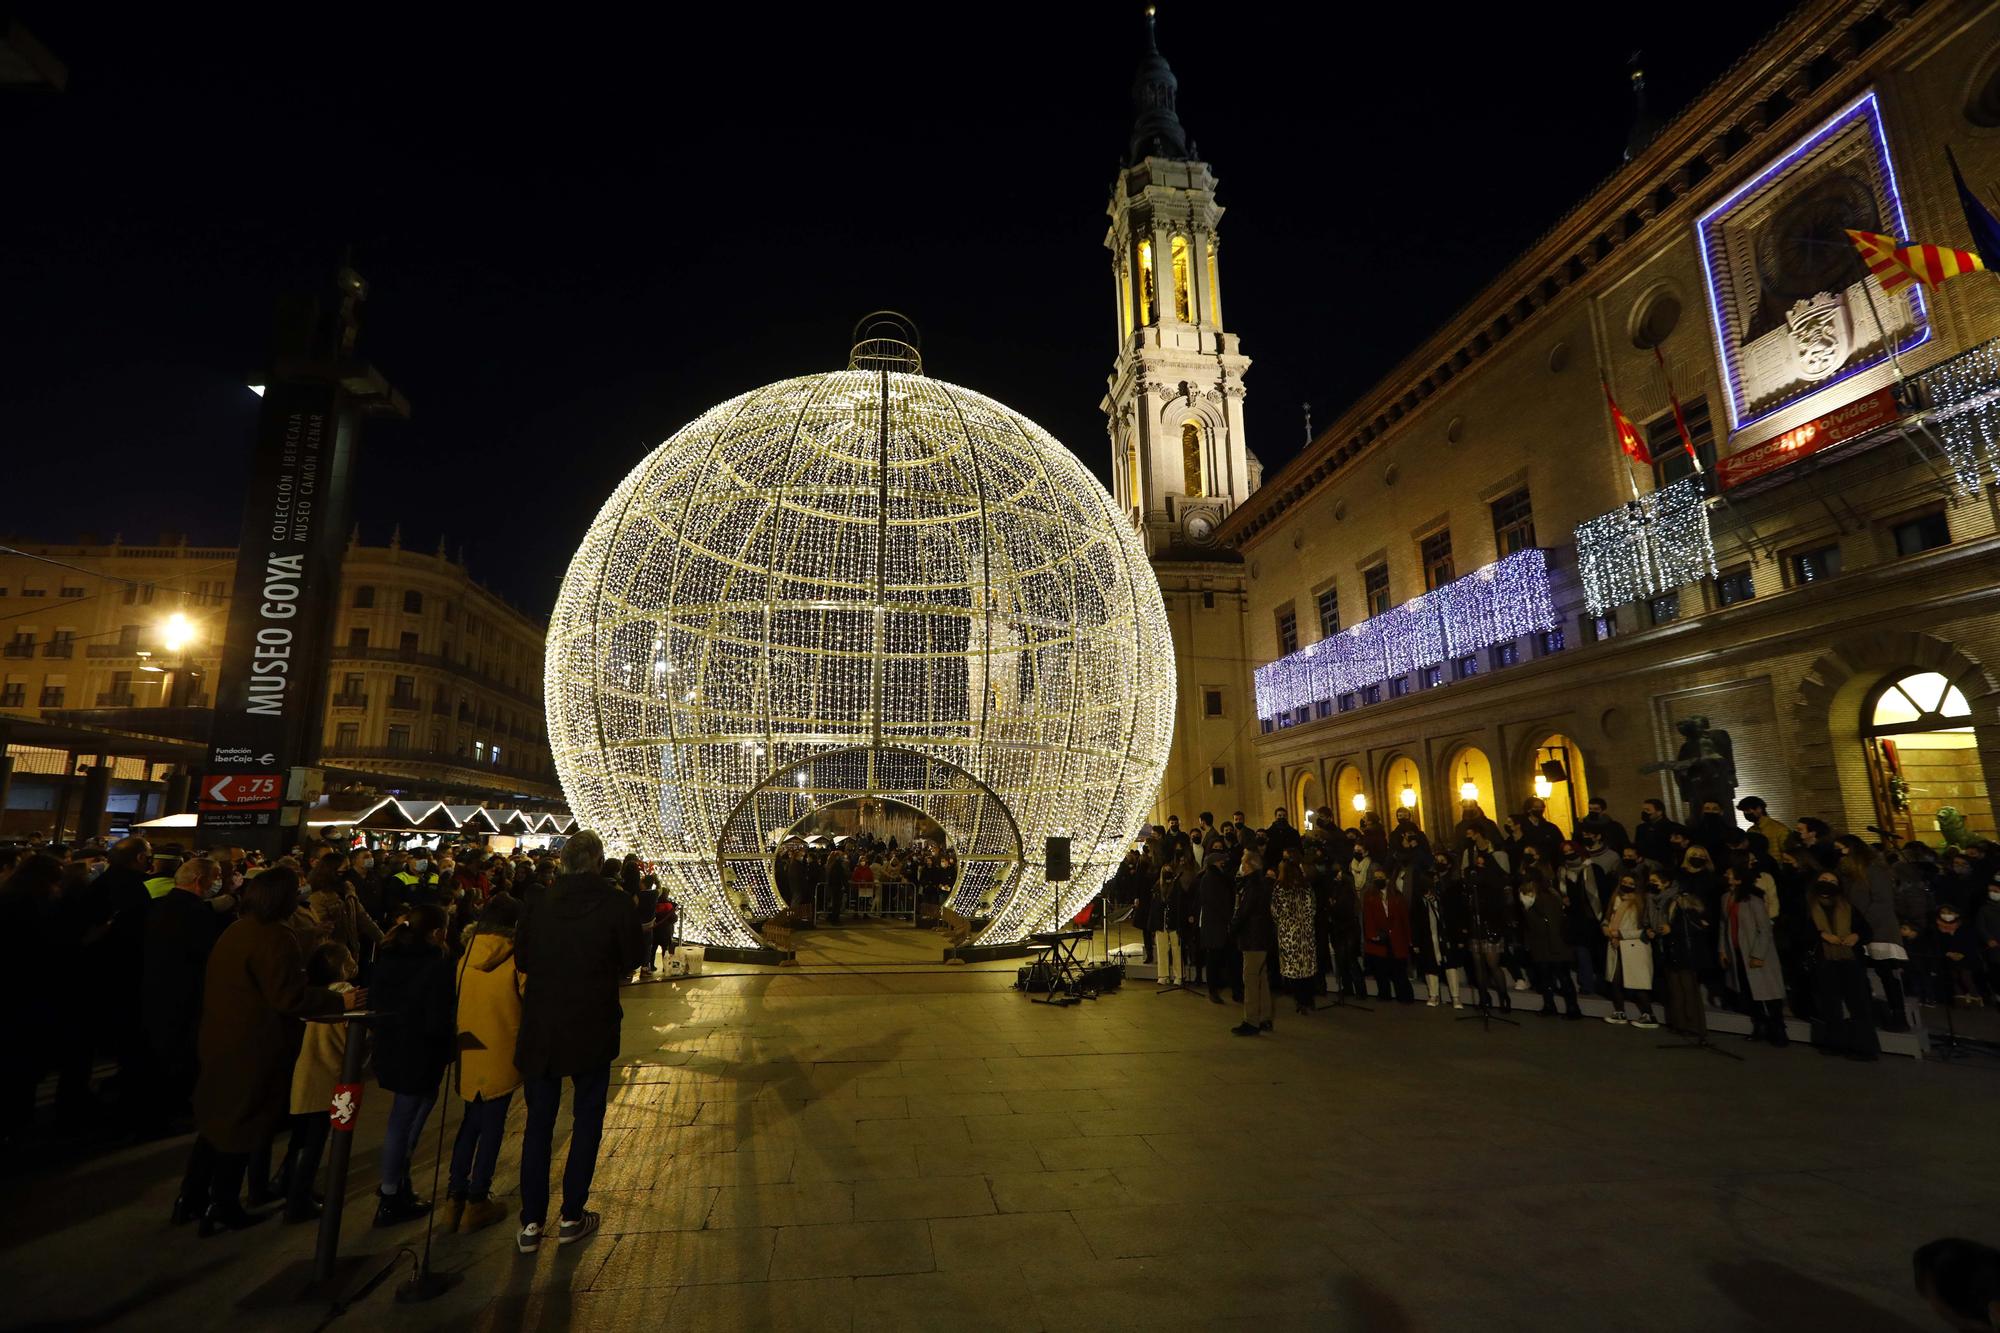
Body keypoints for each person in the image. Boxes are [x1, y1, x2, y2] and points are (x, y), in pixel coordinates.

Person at [179, 868, 358, 1235]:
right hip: (254, 1044)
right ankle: (223, 1203)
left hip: (221, 1037)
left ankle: (191, 1197)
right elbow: (288, 995)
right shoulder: (275, 938)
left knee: (215, 1121)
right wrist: (338, 1000)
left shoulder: (237, 929)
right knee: (241, 1124)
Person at [513, 831, 635, 1251]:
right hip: (591, 1025)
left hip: (542, 1028)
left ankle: (530, 1223)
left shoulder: (537, 902)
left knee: (538, 1126)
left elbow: (524, 958)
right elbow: (632, 956)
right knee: (587, 1121)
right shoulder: (616, 903)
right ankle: (571, 1216)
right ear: (598, 862)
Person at [369, 903, 456, 1225]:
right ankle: (392, 1192)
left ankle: (397, 1186)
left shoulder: (388, 955)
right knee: (407, 1123)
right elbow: (438, 1015)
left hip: (391, 1047)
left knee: (401, 1120)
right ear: (436, 932)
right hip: (421, 1050)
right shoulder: (435, 962)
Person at [447, 896, 525, 1234]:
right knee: (493, 1124)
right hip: (501, 1046)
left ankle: (455, 1196)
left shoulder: (465, 957)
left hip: (469, 1046)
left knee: (470, 1122)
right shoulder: (515, 958)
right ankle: (478, 1199)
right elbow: (528, 997)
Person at [141, 856, 232, 1131]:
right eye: (215, 876)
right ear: (198, 880)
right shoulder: (195, 913)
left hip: (155, 989)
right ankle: (167, 1112)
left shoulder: (161, 905)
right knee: (178, 1054)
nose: (218, 882)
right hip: (184, 992)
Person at [276, 942, 358, 1223]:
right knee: (313, 1143)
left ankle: (291, 1189)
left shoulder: (308, 997)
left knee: (300, 1140)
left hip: (301, 1076)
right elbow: (353, 1037)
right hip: (327, 1076)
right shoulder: (345, 996)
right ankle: (298, 1201)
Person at [1834, 833, 1908, 1032]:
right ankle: (1870, 1013)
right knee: (1860, 974)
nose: (1838, 853)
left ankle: (1897, 1014)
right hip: (1857, 930)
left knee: (1887, 974)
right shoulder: (1846, 873)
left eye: (1840, 848)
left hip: (1878, 930)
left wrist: (1863, 924)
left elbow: (1882, 901)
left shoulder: (1874, 870)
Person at [1807, 869, 1879, 1060]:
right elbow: (1799, 930)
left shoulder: (1848, 906)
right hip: (1824, 959)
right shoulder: (1807, 906)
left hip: (1850, 960)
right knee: (1830, 1005)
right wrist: (1821, 935)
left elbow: (1865, 929)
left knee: (1859, 1004)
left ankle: (1864, 1047)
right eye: (1824, 879)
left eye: (1832, 880)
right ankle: (1835, 1042)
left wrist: (1856, 936)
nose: (1828, 883)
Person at [1719, 864, 1789, 1046]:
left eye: (1730, 872)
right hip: (1737, 953)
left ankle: (1778, 1029)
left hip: (1755, 952)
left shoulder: (1753, 900)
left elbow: (1764, 930)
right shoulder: (1726, 898)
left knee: (1768, 994)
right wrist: (1723, 949)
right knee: (1750, 992)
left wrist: (1758, 954)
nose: (1726, 875)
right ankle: (1761, 1026)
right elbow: (1723, 925)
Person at [1517, 868, 1583, 1019]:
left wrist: (1555, 946)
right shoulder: (1530, 899)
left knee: (1562, 976)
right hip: (1542, 944)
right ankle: (1549, 1006)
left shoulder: (1545, 898)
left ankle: (1573, 1009)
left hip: (1554, 944)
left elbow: (1552, 924)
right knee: (1546, 977)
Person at [1410, 853, 1469, 1009]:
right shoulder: (1419, 899)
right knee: (1430, 965)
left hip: (1444, 934)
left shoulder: (1445, 895)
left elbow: (1452, 915)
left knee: (1450, 964)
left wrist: (1459, 936)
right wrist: (1415, 941)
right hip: (1428, 936)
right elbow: (1415, 921)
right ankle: (1433, 995)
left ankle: (1455, 997)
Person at [1601, 874, 1660, 1029]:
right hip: (1616, 945)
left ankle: (1648, 1015)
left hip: (1634, 947)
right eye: (1624, 882)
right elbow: (1608, 918)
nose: (1626, 885)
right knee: (1615, 981)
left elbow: (1643, 929)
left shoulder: (1641, 902)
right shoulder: (1616, 899)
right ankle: (1620, 1012)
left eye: (1630, 883)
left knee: (1637, 983)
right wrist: (1605, 928)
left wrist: (1620, 934)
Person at [1228, 849, 1275, 1035]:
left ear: (1249, 866)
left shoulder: (1253, 886)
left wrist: (1233, 927)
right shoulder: (1263, 884)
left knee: (1250, 979)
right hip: (1262, 937)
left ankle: (1251, 1020)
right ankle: (1265, 1017)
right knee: (1262, 978)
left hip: (1253, 938)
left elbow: (1244, 912)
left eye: (1243, 863)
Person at [1359, 866, 1413, 1003]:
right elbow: (1367, 918)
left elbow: (1404, 918)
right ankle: (1384, 995)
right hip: (1379, 938)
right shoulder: (1369, 896)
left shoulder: (1397, 896)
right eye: (1375, 878)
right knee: (1380, 970)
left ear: (1388, 880)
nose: (1378, 880)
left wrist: (1409, 938)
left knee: (1399, 970)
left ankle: (1404, 996)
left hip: (1396, 937)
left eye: (1380, 877)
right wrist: (1372, 935)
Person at [1272, 859, 1319, 1014]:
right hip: (1306, 933)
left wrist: (1284, 923)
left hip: (1289, 934)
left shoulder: (1280, 887)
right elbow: (1312, 908)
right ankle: (1309, 999)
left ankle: (1300, 1001)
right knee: (1307, 969)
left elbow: (1275, 911)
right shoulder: (1306, 886)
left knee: (1294, 970)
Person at [1197, 838, 1235, 1006]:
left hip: (1216, 923)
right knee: (1213, 958)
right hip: (1214, 924)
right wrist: (1227, 917)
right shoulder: (1211, 878)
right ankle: (1213, 990)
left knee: (1217, 957)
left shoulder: (1216, 877)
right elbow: (1214, 902)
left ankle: (1217, 987)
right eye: (1221, 861)